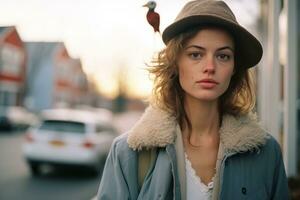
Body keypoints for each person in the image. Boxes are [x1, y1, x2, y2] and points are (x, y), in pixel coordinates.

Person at [96, 0, 289, 199]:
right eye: (196, 54)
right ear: (175, 63)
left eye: (223, 56)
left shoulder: (266, 153)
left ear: (234, 69)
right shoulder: (129, 153)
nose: (210, 67)